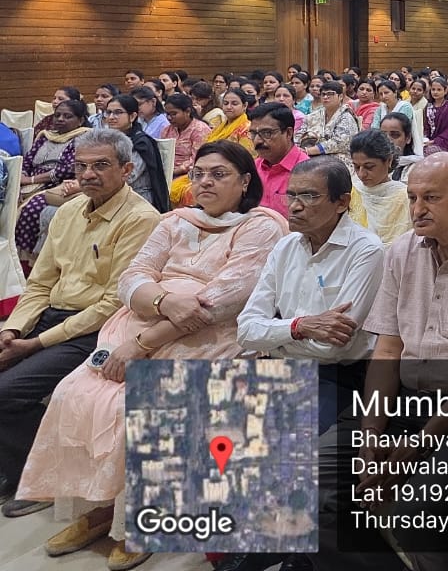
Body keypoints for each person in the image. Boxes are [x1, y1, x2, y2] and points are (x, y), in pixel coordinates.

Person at [11, 141, 285, 565]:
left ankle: (146, 518)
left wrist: (141, 343)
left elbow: (218, 301)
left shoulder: (260, 227)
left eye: (219, 174)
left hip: (208, 335)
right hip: (142, 321)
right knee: (73, 395)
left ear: (246, 181)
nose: (205, 182)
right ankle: (100, 506)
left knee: (142, 408)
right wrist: (163, 301)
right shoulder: (175, 219)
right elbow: (130, 278)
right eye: (199, 173)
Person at [313, 154, 448, 571]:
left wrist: (419, 444)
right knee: (306, 483)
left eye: (431, 197)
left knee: (418, 509)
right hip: (402, 402)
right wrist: (372, 435)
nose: (417, 209)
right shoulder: (401, 250)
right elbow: (387, 350)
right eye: (412, 197)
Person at [0, 130, 161, 510]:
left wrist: (34, 344)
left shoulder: (141, 219)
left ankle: (38, 479)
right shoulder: (69, 211)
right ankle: (13, 462)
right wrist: (12, 329)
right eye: (81, 166)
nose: (88, 174)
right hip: (48, 318)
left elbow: (111, 304)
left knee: (6, 391)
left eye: (100, 165)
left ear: (127, 170)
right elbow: (40, 282)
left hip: (95, 331)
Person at [238, 156, 383, 433]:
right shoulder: (285, 247)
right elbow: (245, 330)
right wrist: (299, 327)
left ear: (342, 202)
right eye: (291, 195)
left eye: (309, 196)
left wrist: (273, 338)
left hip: (333, 377)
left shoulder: (366, 250)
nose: (295, 206)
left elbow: (332, 348)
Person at [15, 99, 92, 264]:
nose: (60, 119)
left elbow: (68, 168)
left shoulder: (83, 138)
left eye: (67, 116)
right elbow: (27, 159)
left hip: (58, 185)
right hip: (29, 183)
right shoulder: (45, 136)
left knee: (32, 208)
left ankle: (29, 261)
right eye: (57, 115)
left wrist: (31, 180)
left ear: (80, 120)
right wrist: (22, 176)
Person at [99, 95, 169, 215]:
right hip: (110, 192)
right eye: (108, 112)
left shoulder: (140, 143)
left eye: (118, 112)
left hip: (137, 198)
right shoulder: (108, 140)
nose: (111, 117)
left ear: (132, 116)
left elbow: (129, 177)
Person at [349, 130, 412, 246]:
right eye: (357, 167)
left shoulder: (405, 197)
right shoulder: (352, 192)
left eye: (369, 167)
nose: (361, 174)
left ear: (389, 160)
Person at [249, 102, 310, 218]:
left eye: (266, 133)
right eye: (253, 133)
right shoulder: (253, 168)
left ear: (288, 133)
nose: (257, 141)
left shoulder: (307, 172)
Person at [163, 92, 212, 207]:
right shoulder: (167, 130)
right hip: (167, 172)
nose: (169, 118)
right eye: (167, 114)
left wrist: (175, 171)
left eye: (174, 114)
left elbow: (198, 160)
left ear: (188, 111)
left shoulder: (200, 130)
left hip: (190, 174)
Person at [298, 81, 360, 172]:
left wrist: (309, 151)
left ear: (340, 96)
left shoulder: (346, 116)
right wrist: (299, 150)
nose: (325, 97)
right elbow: (299, 135)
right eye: (323, 94)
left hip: (339, 159)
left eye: (330, 94)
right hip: (310, 156)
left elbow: (339, 143)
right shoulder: (312, 116)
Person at [423, 75, 448, 152]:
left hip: (446, 143)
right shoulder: (428, 106)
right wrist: (425, 138)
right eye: (433, 89)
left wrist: (435, 141)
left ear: (445, 91)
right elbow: (426, 127)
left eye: (439, 90)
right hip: (429, 141)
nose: (435, 92)